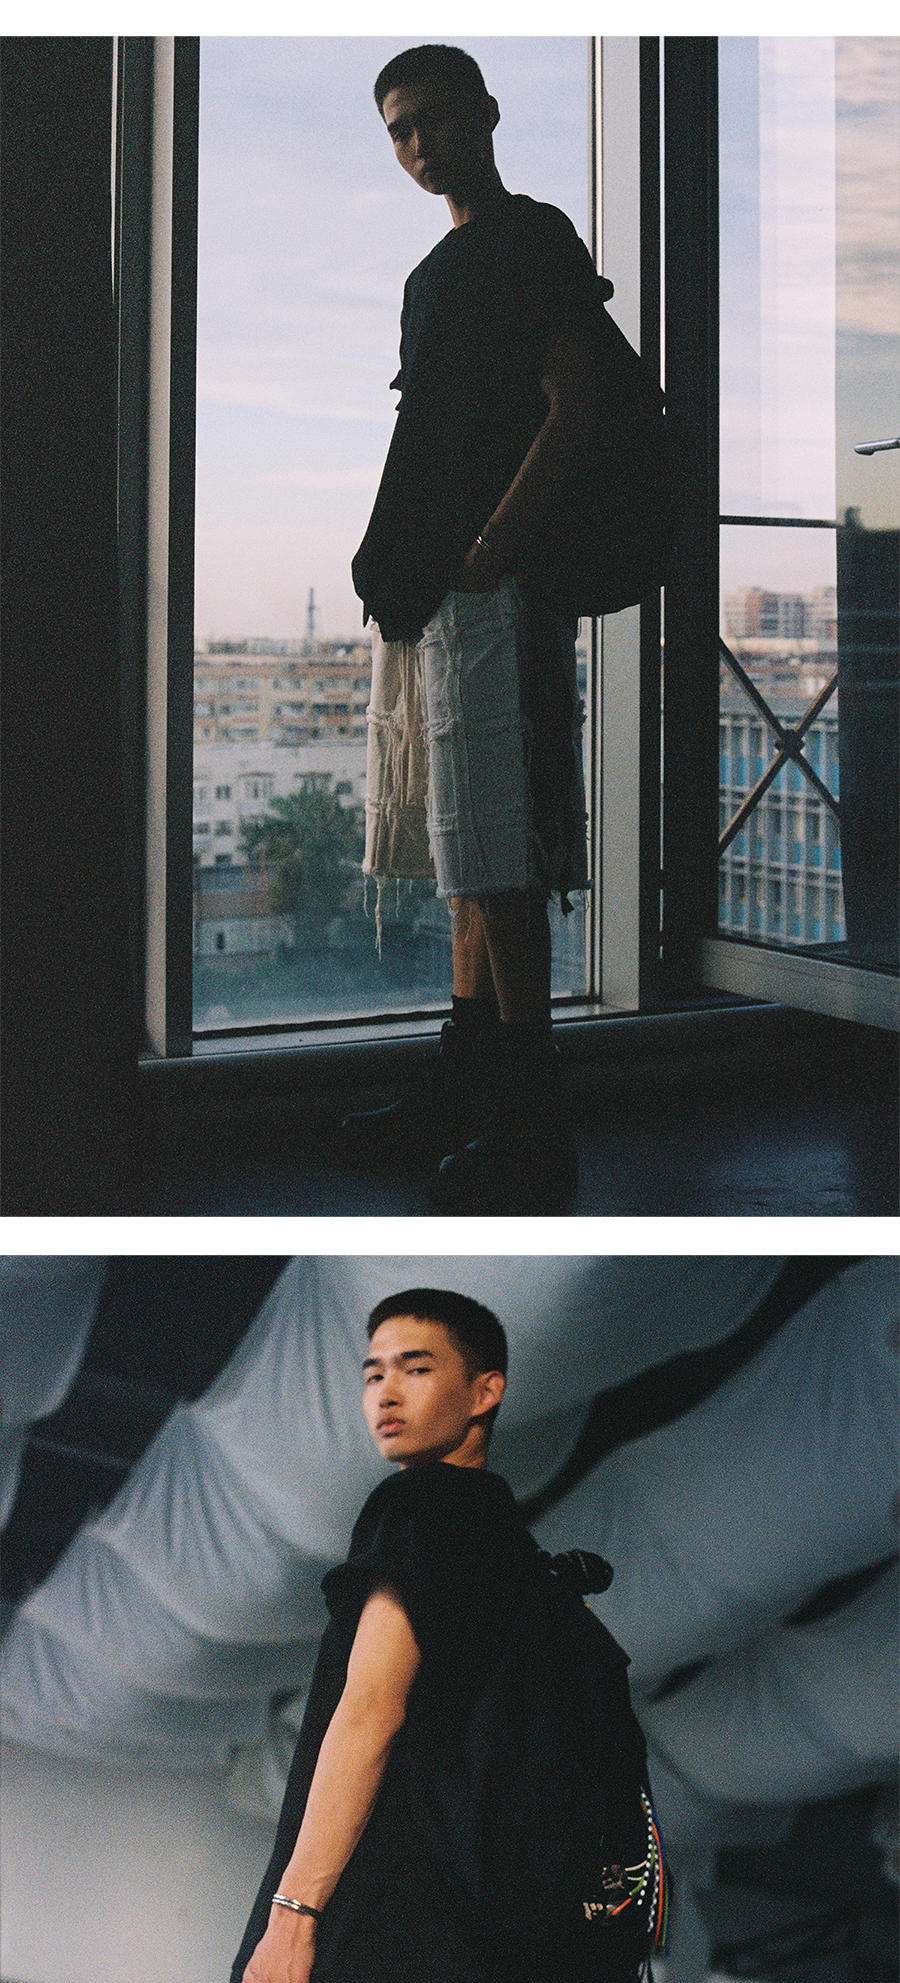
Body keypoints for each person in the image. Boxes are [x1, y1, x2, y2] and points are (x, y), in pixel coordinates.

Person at [168, 1286, 560, 1983]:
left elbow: (370, 1708)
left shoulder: (419, 1510)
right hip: (471, 1969)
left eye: (417, 1366)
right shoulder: (516, 1548)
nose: (385, 1391)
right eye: (373, 1368)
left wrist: (294, 1916)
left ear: (485, 1390)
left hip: (379, 1954)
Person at [346, 43, 613, 1214]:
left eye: (435, 119)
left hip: (493, 590)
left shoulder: (531, 238)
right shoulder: (431, 275)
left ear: (488, 114)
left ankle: (530, 1129)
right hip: (439, 595)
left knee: (499, 861)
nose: (418, 147)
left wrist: (494, 548)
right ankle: (471, 1090)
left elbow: (578, 403)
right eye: (400, 131)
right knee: (465, 857)